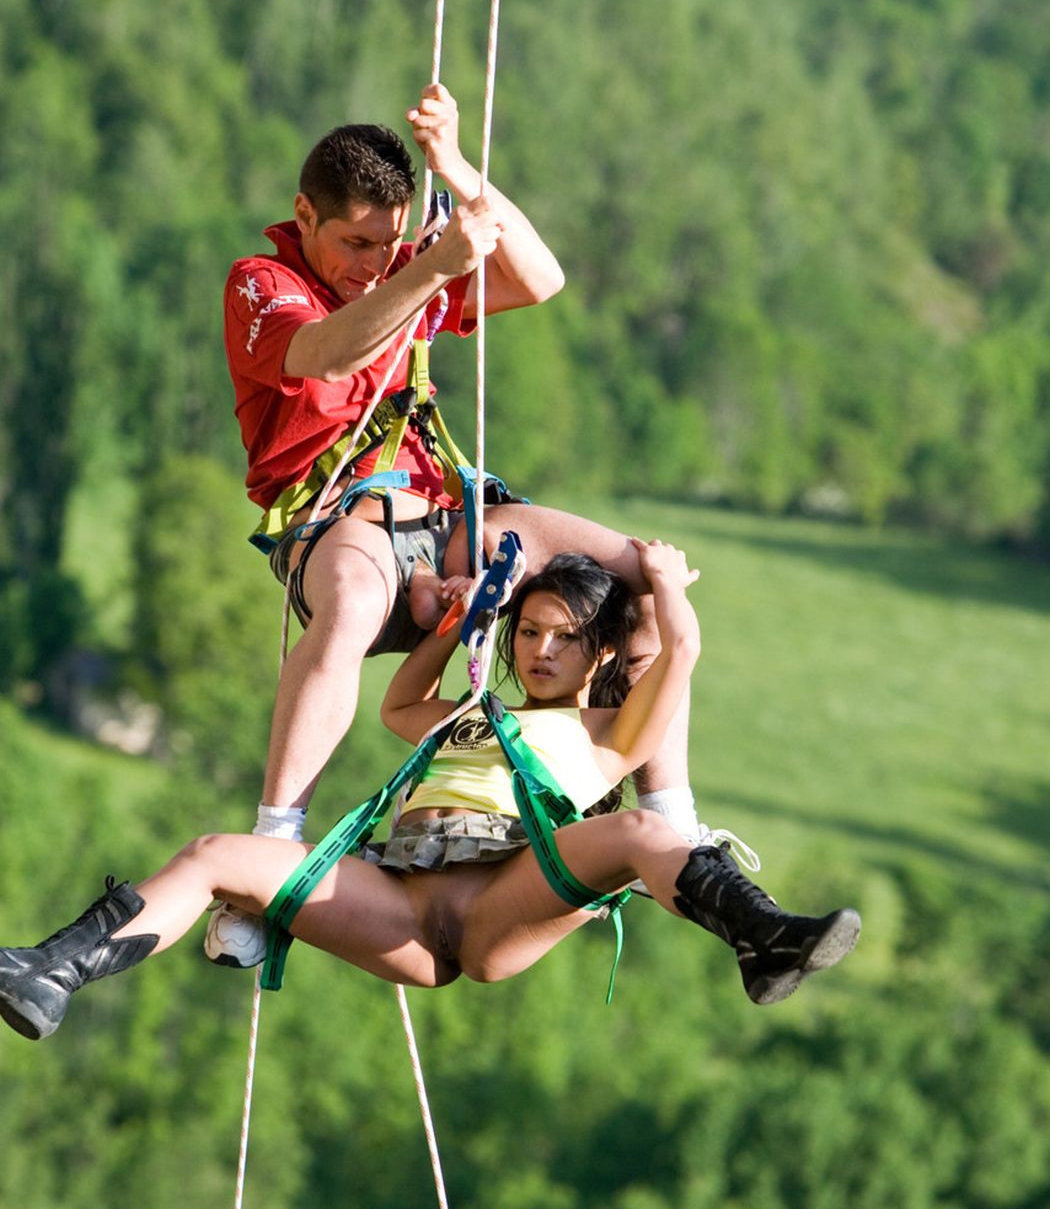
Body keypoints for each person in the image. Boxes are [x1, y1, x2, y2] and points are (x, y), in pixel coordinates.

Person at [215, 82, 707, 965]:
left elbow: (539, 277)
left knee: (637, 576)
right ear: (305, 215)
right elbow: (327, 352)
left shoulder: (407, 271)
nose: (372, 262)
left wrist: (456, 167)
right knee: (355, 602)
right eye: (355, 241)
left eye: (388, 243)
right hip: (338, 525)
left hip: (442, 514)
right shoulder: (267, 284)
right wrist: (429, 269)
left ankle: (668, 819)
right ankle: (277, 842)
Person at [0, 543, 860, 1042]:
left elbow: (680, 660)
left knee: (636, 833)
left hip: (500, 905)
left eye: (564, 639)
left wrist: (664, 586)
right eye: (529, 632)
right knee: (215, 854)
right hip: (401, 911)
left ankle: (765, 937)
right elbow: (400, 706)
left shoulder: (609, 735)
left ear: (600, 654)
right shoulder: (475, 712)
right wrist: (455, 627)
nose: (541, 652)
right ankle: (53, 973)